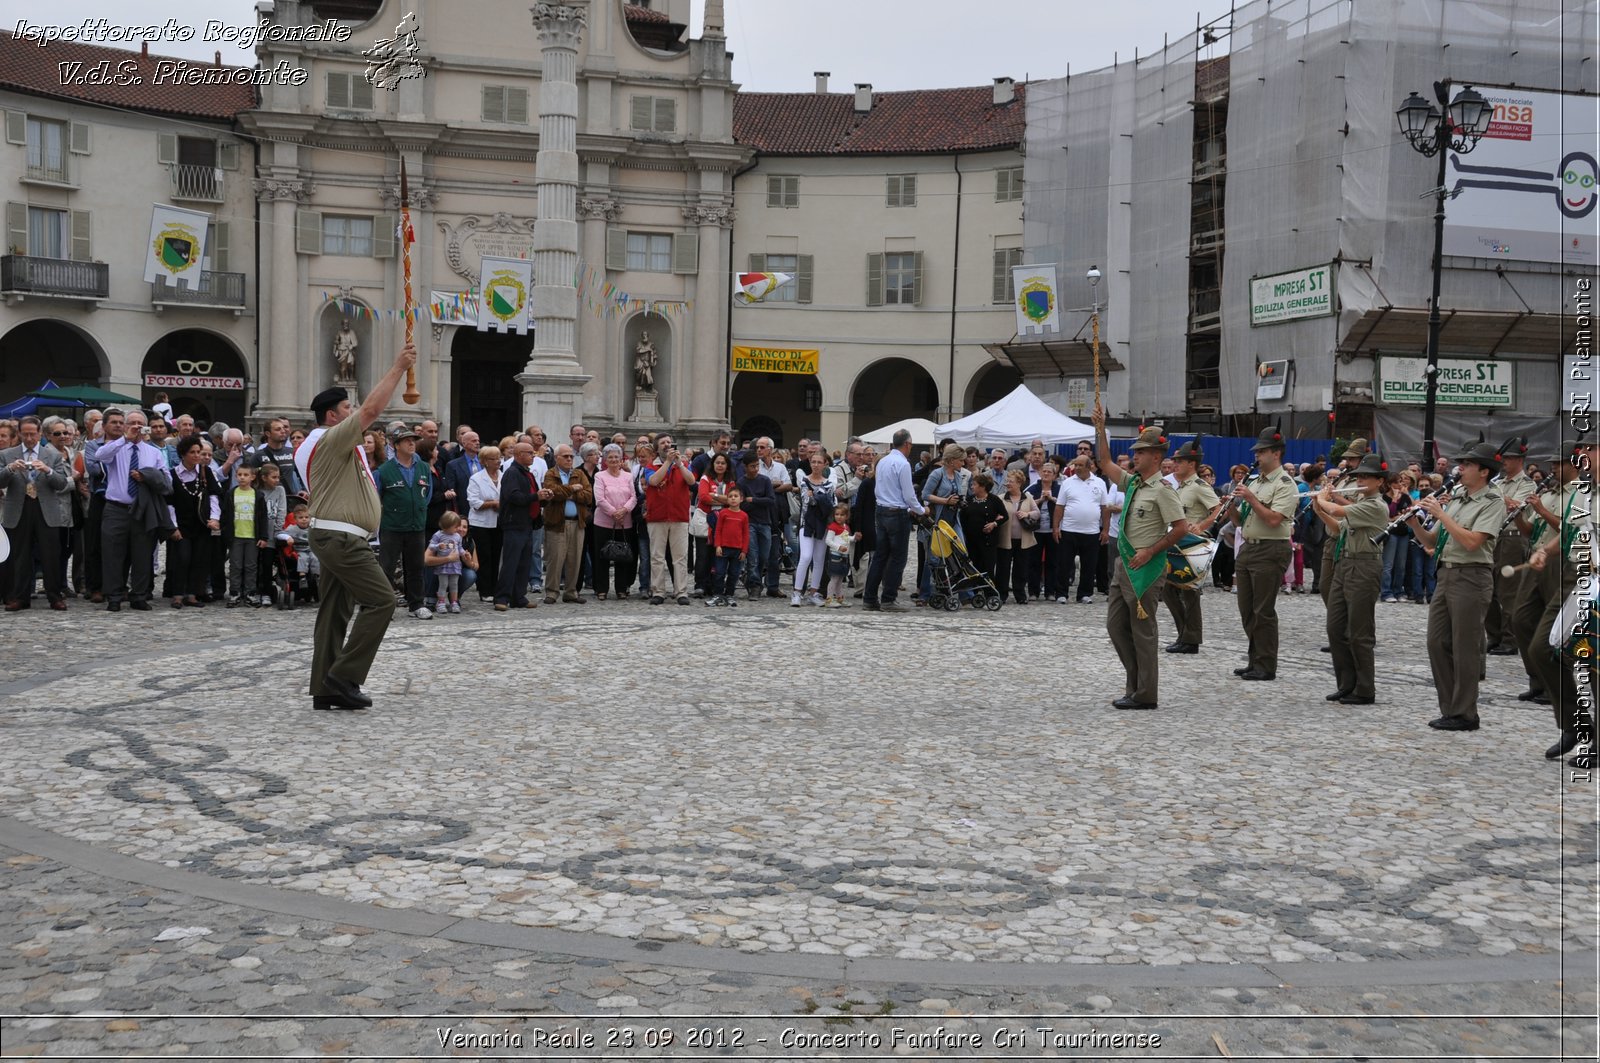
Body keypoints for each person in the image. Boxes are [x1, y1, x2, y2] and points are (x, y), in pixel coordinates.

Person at [296, 344, 419, 711]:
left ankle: (325, 688)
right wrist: (398, 367)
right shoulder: (330, 439)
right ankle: (344, 675)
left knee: (334, 611)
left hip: (335, 534)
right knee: (381, 600)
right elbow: (372, 410)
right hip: (341, 536)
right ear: (333, 416)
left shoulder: (317, 444)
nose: (355, 416)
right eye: (346, 410)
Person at [1092, 404, 1188, 710]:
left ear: (1156, 457)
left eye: (1141, 452)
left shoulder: (1163, 490)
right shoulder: (1133, 482)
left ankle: (1145, 694)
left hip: (1146, 567)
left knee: (1142, 632)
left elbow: (1180, 528)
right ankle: (1133, 682)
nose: (1136, 456)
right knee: (1115, 626)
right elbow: (1104, 461)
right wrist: (1100, 427)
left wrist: (1150, 551)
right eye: (1136, 451)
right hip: (1124, 566)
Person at [1407, 441, 1505, 733]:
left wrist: (1441, 514)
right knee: (1436, 642)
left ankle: (1465, 713)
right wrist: (1413, 523)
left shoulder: (1492, 500)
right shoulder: (1459, 497)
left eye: (1468, 465)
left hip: (1472, 576)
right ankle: (1449, 707)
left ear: (1484, 472)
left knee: (1465, 647)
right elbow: (1433, 541)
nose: (1460, 469)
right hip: (1446, 574)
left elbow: (1473, 541)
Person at [1520, 439, 1596, 765]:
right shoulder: (1583, 490)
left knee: (1593, 660)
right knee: (1542, 648)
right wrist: (1544, 551)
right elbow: (1570, 530)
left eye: (1592, 449)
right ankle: (1574, 724)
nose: (1584, 455)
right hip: (1580, 579)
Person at [1312, 453, 1389, 704]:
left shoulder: (1375, 505)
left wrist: (1325, 500)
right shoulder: (1361, 503)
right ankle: (1346, 683)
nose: (1361, 480)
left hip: (1364, 566)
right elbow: (1337, 527)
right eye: (1359, 476)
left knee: (1359, 632)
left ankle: (1365, 689)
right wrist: (1318, 507)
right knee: (1335, 628)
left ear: (1379, 481)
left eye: (1367, 477)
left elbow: (1337, 509)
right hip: (1344, 562)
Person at [1224, 426, 1299, 681]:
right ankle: (1255, 658)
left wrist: (1250, 498)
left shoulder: (1285, 484)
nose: (1257, 457)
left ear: (1276, 453)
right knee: (1247, 609)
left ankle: (1266, 665)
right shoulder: (1255, 482)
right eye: (1257, 452)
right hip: (1248, 546)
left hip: (1271, 548)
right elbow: (1240, 521)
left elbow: (1275, 519)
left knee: (1263, 610)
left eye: (1262, 452)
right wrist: (1229, 508)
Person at [89, 410, 172, 612]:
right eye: (132, 423)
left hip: (142, 508)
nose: (136, 427)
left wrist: (147, 478)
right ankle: (114, 596)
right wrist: (124, 439)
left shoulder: (153, 452)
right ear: (126, 426)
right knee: (112, 554)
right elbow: (100, 456)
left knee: (142, 554)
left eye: (140, 423)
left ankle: (139, 595)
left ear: (146, 428)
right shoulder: (116, 448)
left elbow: (167, 482)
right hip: (116, 508)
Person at [0, 416, 71, 610]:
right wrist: (10, 469)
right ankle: (20, 597)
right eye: (26, 434)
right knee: (19, 555)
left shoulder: (52, 455)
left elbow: (62, 483)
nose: (30, 438)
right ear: (20, 434)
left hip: (45, 509)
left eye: (33, 433)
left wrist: (47, 470)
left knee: (51, 555)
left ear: (40, 434)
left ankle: (54, 596)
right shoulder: (8, 454)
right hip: (19, 508)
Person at [1161, 439, 1221, 654]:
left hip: (1192, 546)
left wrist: (1202, 525)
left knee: (1189, 593)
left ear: (1191, 464)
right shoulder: (1180, 487)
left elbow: (1218, 508)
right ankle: (1184, 634)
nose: (1175, 464)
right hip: (1176, 543)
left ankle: (1191, 639)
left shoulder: (1199, 487)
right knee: (1168, 590)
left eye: (1179, 461)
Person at [862, 428, 926, 612]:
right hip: (897, 513)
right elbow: (909, 494)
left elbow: (878, 488)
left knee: (880, 557)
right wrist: (921, 510)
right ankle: (889, 599)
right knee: (898, 558)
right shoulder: (903, 463)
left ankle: (870, 598)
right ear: (907, 444)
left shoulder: (882, 461)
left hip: (881, 510)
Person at [375, 427, 434, 620]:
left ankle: (416, 604)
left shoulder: (424, 467)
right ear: (395, 445)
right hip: (392, 526)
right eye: (406, 441)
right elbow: (377, 497)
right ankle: (384, 605)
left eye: (413, 440)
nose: (411, 444)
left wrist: (419, 509)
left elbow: (427, 493)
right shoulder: (384, 470)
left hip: (417, 525)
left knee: (416, 566)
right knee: (387, 567)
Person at [1486, 436, 1536, 656]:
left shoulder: (1528, 484)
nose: (1504, 461)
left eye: (1508, 458)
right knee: (1488, 589)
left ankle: (1510, 638)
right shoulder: (1497, 483)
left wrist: (1496, 495)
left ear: (1520, 460)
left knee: (1508, 590)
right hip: (1493, 536)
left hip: (1514, 537)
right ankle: (1494, 636)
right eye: (1503, 458)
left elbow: (1516, 508)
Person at [645, 433, 694, 605]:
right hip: (657, 516)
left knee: (680, 557)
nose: (667, 445)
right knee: (657, 556)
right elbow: (653, 481)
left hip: (679, 516)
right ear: (657, 448)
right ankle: (658, 591)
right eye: (663, 443)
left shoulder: (683, 464)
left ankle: (681, 592)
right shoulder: (651, 466)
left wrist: (679, 464)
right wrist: (667, 462)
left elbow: (691, 480)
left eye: (669, 442)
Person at [541, 444, 593, 603]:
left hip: (577, 523)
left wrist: (568, 493)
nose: (569, 459)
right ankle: (552, 592)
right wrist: (572, 489)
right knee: (555, 559)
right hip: (557, 522)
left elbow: (588, 496)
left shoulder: (579, 473)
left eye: (571, 456)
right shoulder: (551, 473)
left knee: (575, 559)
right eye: (565, 456)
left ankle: (571, 591)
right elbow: (552, 493)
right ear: (557, 458)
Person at [1056, 456, 1108, 604]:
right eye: (1075, 465)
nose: (1076, 468)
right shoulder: (1067, 482)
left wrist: (1105, 529)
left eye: (1080, 465)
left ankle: (1085, 593)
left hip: (1091, 531)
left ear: (1090, 466)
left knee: (1089, 565)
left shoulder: (1100, 483)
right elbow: (1060, 506)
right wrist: (1056, 527)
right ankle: (1061, 593)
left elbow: (1105, 508)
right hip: (1068, 529)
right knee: (1064, 563)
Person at [494, 442, 539, 611]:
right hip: (513, 523)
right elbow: (514, 496)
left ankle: (518, 596)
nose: (533, 456)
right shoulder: (512, 473)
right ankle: (502, 597)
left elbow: (532, 494)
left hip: (527, 522)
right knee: (511, 563)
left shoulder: (528, 473)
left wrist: (543, 497)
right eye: (529, 453)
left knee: (524, 563)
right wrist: (536, 496)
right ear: (519, 454)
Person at [593, 443, 637, 599]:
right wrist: (613, 513)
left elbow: (633, 497)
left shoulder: (628, 476)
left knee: (623, 557)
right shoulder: (599, 476)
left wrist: (624, 510)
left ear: (621, 459)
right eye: (610, 457)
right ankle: (601, 589)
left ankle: (621, 588)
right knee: (602, 556)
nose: (613, 460)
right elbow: (599, 499)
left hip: (625, 523)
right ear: (605, 460)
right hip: (603, 522)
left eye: (616, 457)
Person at [793, 450, 836, 606]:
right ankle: (797, 592)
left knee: (819, 559)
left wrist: (815, 497)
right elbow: (807, 500)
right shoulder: (804, 481)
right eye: (813, 462)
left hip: (823, 525)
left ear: (825, 464)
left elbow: (831, 504)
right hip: (807, 524)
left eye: (819, 462)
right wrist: (819, 498)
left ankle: (813, 592)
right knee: (805, 557)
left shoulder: (829, 483)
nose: (816, 465)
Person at [736, 452, 778, 600]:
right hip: (750, 523)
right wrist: (759, 501)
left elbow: (771, 500)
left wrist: (754, 500)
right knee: (752, 555)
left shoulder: (765, 480)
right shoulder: (741, 482)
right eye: (752, 466)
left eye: (757, 466)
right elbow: (742, 505)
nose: (755, 469)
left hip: (765, 522)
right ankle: (754, 585)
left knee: (763, 556)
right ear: (745, 467)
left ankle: (754, 579)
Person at [226, 462, 268, 607]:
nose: (242, 478)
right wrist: (226, 535)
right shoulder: (231, 494)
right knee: (235, 566)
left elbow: (263, 518)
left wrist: (263, 537)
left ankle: (250, 593)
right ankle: (234, 592)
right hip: (236, 536)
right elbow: (226, 516)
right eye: (239, 475)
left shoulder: (258, 495)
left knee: (251, 566)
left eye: (245, 475)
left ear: (252, 477)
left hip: (252, 537)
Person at [694, 452, 735, 596]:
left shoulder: (730, 482)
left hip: (723, 522)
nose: (720, 465)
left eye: (723, 463)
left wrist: (715, 496)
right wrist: (723, 500)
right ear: (712, 464)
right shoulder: (705, 478)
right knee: (703, 554)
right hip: (705, 520)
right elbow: (704, 497)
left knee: (717, 554)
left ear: (727, 466)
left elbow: (733, 499)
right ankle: (700, 584)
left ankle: (714, 584)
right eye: (717, 462)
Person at [465, 445, 503, 601]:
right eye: (493, 459)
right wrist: (493, 503)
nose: (498, 461)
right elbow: (474, 502)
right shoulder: (476, 478)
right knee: (484, 556)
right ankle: (485, 590)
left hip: (498, 522)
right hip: (480, 523)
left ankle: (495, 588)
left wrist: (497, 504)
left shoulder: (503, 475)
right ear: (485, 461)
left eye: (499, 458)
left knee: (496, 556)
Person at [994, 469, 1038, 605]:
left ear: (1019, 483)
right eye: (1007, 481)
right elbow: (994, 513)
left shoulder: (1028, 497)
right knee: (1003, 568)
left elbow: (1037, 513)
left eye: (1011, 481)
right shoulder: (1000, 498)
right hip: (1005, 538)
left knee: (1021, 568)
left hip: (1023, 539)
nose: (1008, 483)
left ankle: (1020, 594)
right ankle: (1002, 594)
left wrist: (1027, 514)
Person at [1024, 460, 1063, 602]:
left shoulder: (1060, 488)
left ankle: (1050, 592)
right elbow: (1025, 502)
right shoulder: (1033, 487)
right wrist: (1040, 500)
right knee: (1034, 561)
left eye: (1049, 472)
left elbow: (1065, 503)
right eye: (1044, 471)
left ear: (1054, 475)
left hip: (1054, 529)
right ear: (1040, 473)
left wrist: (1052, 498)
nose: (1046, 474)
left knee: (1053, 562)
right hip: (1036, 530)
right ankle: (1033, 591)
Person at [958, 472, 1007, 585]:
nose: (972, 487)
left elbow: (1004, 515)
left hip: (988, 541)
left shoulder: (994, 500)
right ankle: (975, 590)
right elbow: (962, 518)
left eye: (974, 484)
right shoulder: (969, 500)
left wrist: (994, 524)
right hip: (972, 541)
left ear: (982, 487)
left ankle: (989, 590)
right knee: (974, 566)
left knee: (988, 566)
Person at [707, 483, 750, 607]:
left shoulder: (744, 516)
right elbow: (718, 530)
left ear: (741, 499)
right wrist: (718, 545)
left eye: (736, 496)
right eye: (730, 496)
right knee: (719, 572)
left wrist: (744, 551)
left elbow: (746, 534)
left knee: (734, 574)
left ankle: (729, 595)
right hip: (723, 548)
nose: (733, 498)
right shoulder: (724, 513)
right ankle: (718, 595)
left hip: (737, 550)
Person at [427, 510, 467, 614]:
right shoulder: (438, 535)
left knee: (454, 584)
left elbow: (459, 547)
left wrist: (464, 554)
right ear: (447, 526)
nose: (458, 529)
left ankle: (454, 602)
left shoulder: (457, 536)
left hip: (455, 565)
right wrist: (438, 546)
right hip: (443, 566)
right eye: (455, 526)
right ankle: (441, 602)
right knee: (443, 584)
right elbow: (431, 546)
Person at [822, 502, 859, 607]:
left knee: (840, 579)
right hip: (835, 556)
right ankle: (829, 599)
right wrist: (839, 547)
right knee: (834, 578)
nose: (839, 517)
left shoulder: (846, 527)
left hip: (844, 556)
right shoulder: (833, 527)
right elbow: (828, 541)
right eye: (837, 514)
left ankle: (839, 598)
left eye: (842, 515)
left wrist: (854, 538)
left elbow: (846, 538)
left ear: (847, 516)